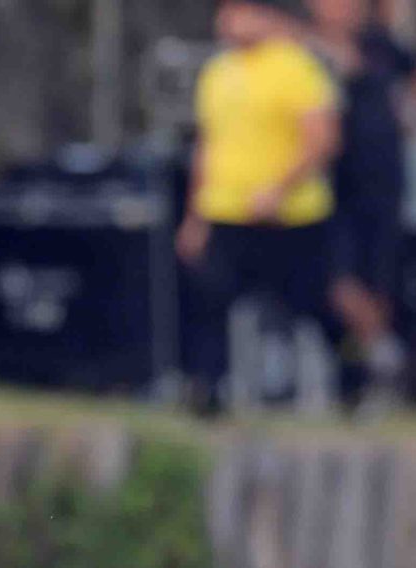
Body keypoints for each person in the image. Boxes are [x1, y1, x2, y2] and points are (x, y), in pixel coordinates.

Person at [176, 0, 344, 417]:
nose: (228, 22)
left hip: (291, 215)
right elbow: (207, 146)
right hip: (226, 210)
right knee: (211, 298)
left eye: (240, 11)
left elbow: (322, 140)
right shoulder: (217, 72)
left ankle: (351, 382)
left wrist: (278, 190)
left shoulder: (295, 67)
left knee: (311, 303)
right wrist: (195, 216)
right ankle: (207, 390)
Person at [311, 0, 416, 403]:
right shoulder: (304, 45)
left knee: (380, 278)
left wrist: (411, 111)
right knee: (337, 281)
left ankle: (375, 373)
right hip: (330, 185)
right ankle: (385, 356)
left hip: (382, 180)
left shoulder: (380, 44)